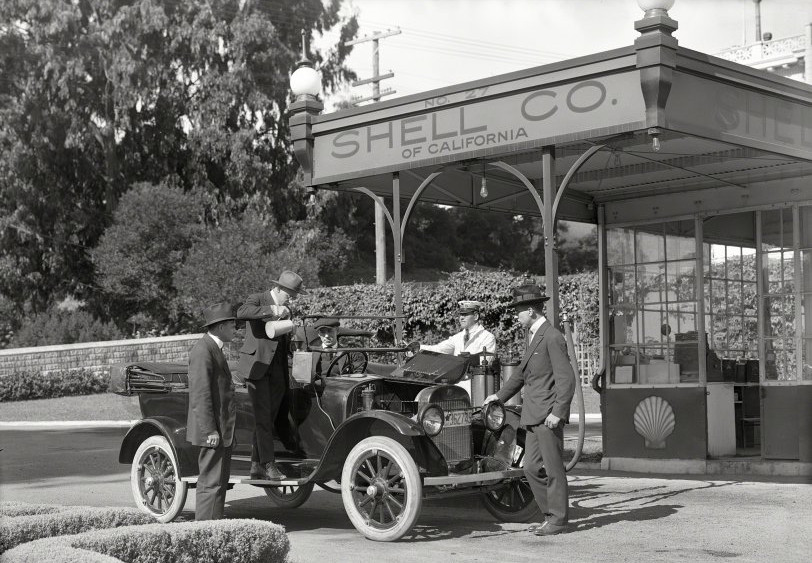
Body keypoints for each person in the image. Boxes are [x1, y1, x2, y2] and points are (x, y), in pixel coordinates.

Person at [484, 284, 575, 536]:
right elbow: (522, 375)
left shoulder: (552, 337)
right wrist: (498, 397)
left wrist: (558, 411)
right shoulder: (535, 335)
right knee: (530, 468)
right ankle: (551, 515)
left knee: (554, 469)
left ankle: (557, 520)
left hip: (548, 416)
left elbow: (567, 379)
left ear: (532, 311)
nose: (516, 315)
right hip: (533, 415)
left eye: (519, 311)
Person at [237, 270, 305, 481]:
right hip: (256, 368)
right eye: (289, 294)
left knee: (270, 418)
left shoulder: (288, 310)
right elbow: (242, 312)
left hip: (277, 370)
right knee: (263, 418)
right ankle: (268, 464)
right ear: (277, 288)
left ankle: (256, 464)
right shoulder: (258, 299)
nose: (291, 298)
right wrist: (273, 309)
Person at [186, 302, 237, 520]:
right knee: (210, 483)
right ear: (220, 327)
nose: (235, 329)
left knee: (218, 482)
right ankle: (204, 530)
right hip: (212, 432)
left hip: (220, 430)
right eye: (232, 325)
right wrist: (210, 431)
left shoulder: (213, 347)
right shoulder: (203, 350)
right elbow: (200, 395)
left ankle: (213, 528)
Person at [420, 300, 496, 395]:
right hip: (456, 386)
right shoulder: (458, 337)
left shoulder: (487, 337)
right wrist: (418, 347)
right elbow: (439, 349)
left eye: (465, 315)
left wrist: (468, 360)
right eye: (460, 315)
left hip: (478, 387)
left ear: (476, 316)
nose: (461, 318)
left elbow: (486, 363)